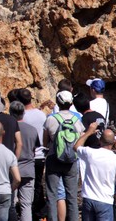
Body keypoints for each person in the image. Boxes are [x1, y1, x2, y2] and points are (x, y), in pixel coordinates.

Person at [43, 90, 84, 221]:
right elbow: (81, 141)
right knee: (72, 196)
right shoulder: (77, 120)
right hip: (71, 160)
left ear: (58, 102)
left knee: (52, 195)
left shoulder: (50, 119)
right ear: (71, 103)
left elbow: (45, 142)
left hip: (53, 158)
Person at [74, 123, 116, 221]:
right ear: (114, 142)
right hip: (105, 200)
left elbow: (76, 146)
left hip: (89, 198)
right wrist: (115, 200)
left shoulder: (90, 153)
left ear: (100, 141)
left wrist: (89, 132)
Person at [16, 88, 47, 219]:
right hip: (40, 154)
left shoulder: (22, 118)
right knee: (38, 185)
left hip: (26, 156)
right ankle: (37, 213)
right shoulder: (41, 115)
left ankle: (26, 211)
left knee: (22, 186)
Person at [9, 101, 39, 221]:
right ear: (23, 113)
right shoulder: (32, 130)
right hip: (28, 169)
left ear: (11, 113)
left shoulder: (8, 129)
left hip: (12, 170)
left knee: (10, 203)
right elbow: (34, 149)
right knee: (26, 205)